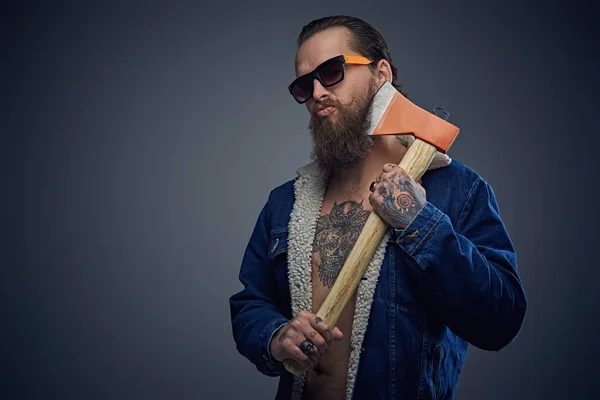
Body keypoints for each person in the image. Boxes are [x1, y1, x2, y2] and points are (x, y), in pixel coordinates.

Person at [229, 15, 527, 400]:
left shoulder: (458, 191)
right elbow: (250, 303)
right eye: (305, 85)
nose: (318, 91)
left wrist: (421, 223)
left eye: (332, 71)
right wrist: (277, 335)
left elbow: (500, 320)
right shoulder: (285, 202)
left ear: (380, 73)